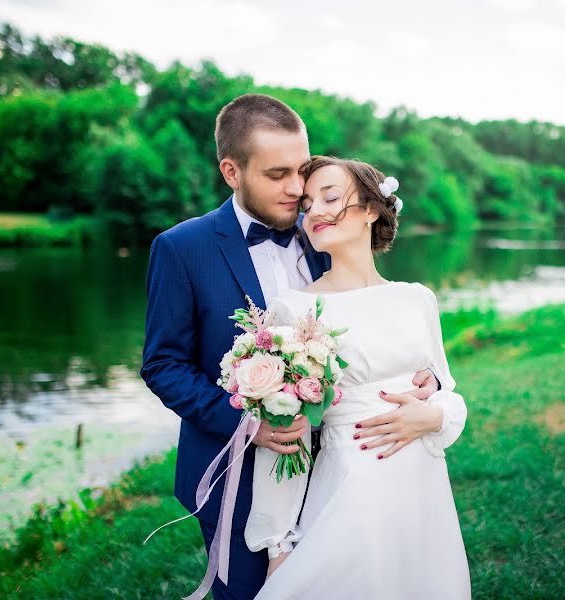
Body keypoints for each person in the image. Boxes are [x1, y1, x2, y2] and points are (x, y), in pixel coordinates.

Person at [140, 94, 446, 600]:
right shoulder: (181, 248)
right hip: (235, 473)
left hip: (344, 468)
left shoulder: (324, 230)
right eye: (276, 174)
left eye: (301, 171)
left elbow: (371, 322)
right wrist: (248, 424)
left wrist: (421, 381)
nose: (296, 188)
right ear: (231, 171)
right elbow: (163, 365)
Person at [245, 156, 471, 599]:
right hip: (351, 487)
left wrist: (435, 417)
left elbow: (447, 389)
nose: (316, 212)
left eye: (331, 197)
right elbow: (286, 432)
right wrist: (278, 545)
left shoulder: (417, 299)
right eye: (307, 205)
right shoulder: (295, 309)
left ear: (371, 209)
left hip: (423, 489)